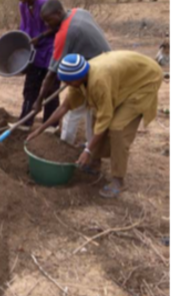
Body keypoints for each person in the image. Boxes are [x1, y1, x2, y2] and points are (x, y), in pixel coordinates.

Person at [28, 52, 163, 198]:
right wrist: (40, 129)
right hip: (126, 77)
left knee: (118, 127)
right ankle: (95, 162)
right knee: (94, 114)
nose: (67, 85)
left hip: (145, 79)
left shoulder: (98, 81)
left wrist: (87, 150)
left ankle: (118, 180)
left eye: (69, 82)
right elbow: (64, 107)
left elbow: (105, 119)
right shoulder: (78, 78)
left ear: (79, 78)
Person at [35, 0, 111, 145]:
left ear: (58, 13)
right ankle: (81, 146)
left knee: (88, 112)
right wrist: (42, 36)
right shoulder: (78, 12)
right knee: (76, 110)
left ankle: (85, 151)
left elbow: (51, 74)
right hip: (106, 59)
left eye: (48, 20)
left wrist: (39, 101)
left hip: (95, 74)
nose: (46, 25)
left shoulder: (64, 35)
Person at [13, 0, 60, 132]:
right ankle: (25, 122)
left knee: (51, 88)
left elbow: (56, 26)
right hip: (36, 51)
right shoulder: (23, 6)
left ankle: (51, 125)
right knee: (31, 87)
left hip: (51, 48)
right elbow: (24, 27)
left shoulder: (44, 3)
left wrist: (40, 37)